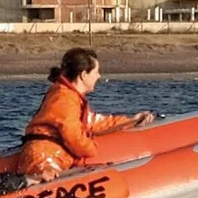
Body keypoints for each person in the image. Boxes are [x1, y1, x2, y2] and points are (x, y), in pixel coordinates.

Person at [18, 47, 155, 178]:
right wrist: (92, 149)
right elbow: (73, 135)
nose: (99, 76)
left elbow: (94, 122)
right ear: (84, 75)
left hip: (49, 154)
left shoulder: (70, 96)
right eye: (96, 72)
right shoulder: (65, 98)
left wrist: (131, 121)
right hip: (43, 157)